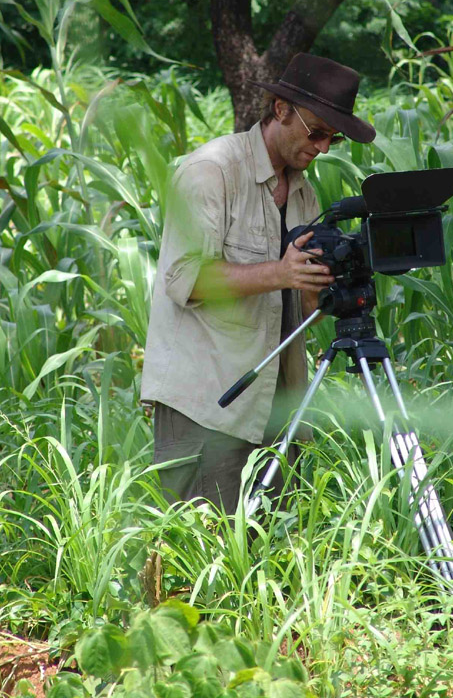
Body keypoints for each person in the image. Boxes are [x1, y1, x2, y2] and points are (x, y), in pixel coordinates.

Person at [141, 52, 376, 510]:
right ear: (280, 109)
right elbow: (184, 278)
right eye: (317, 132)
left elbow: (302, 309)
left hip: (279, 408)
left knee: (267, 565)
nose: (324, 147)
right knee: (193, 565)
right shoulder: (210, 172)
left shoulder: (305, 191)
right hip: (208, 408)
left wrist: (319, 284)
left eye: (334, 138)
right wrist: (281, 272)